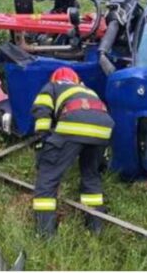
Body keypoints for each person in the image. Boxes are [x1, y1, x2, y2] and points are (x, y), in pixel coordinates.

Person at [30, 66, 115, 238]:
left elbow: (42, 114)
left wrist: (42, 142)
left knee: (47, 178)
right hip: (103, 129)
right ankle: (95, 228)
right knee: (91, 176)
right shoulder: (87, 90)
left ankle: (45, 234)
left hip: (74, 123)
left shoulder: (51, 87)